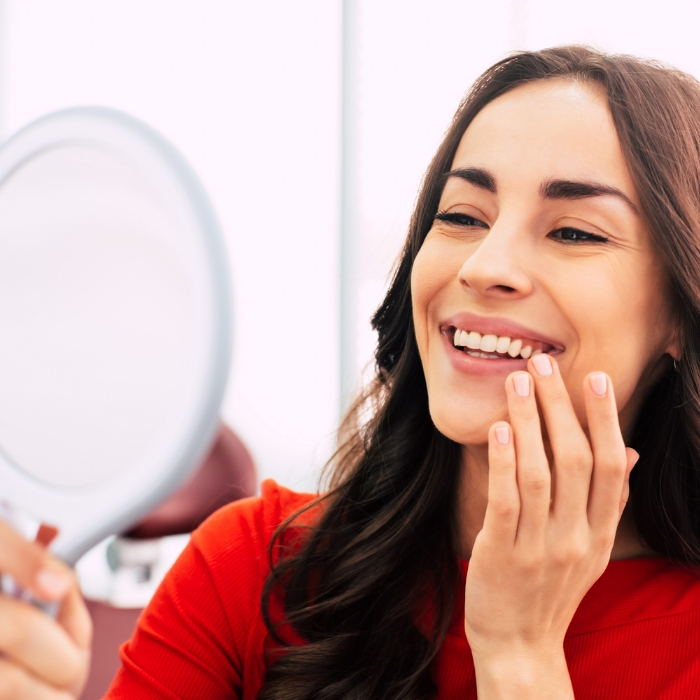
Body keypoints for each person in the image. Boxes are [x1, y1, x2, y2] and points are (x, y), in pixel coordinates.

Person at [3, 44, 700, 699]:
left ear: (678, 311)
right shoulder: (251, 568)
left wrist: (520, 654)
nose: (483, 265)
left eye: (573, 232)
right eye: (461, 216)